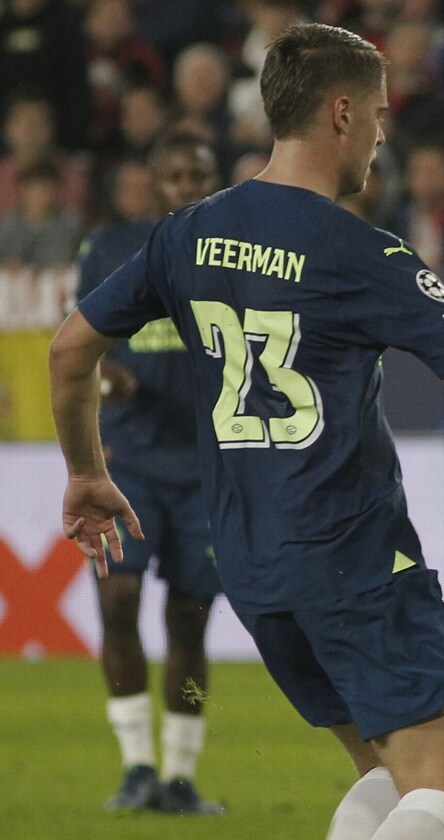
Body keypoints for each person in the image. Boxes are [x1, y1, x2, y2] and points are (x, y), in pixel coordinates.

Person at [48, 23, 444, 840]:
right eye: (382, 115)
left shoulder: (185, 234)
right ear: (342, 114)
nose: (384, 136)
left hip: (251, 564)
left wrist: (84, 470)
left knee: (395, 778)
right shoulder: (361, 253)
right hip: (350, 561)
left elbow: (71, 347)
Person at [74, 132, 223, 815]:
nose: (188, 186)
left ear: (215, 182)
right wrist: (109, 378)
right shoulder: (110, 250)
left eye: (199, 175)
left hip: (209, 467)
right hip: (128, 462)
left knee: (190, 621)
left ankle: (182, 771)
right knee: (118, 605)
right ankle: (137, 765)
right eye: (175, 175)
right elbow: (79, 344)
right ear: (153, 182)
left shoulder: (238, 259)